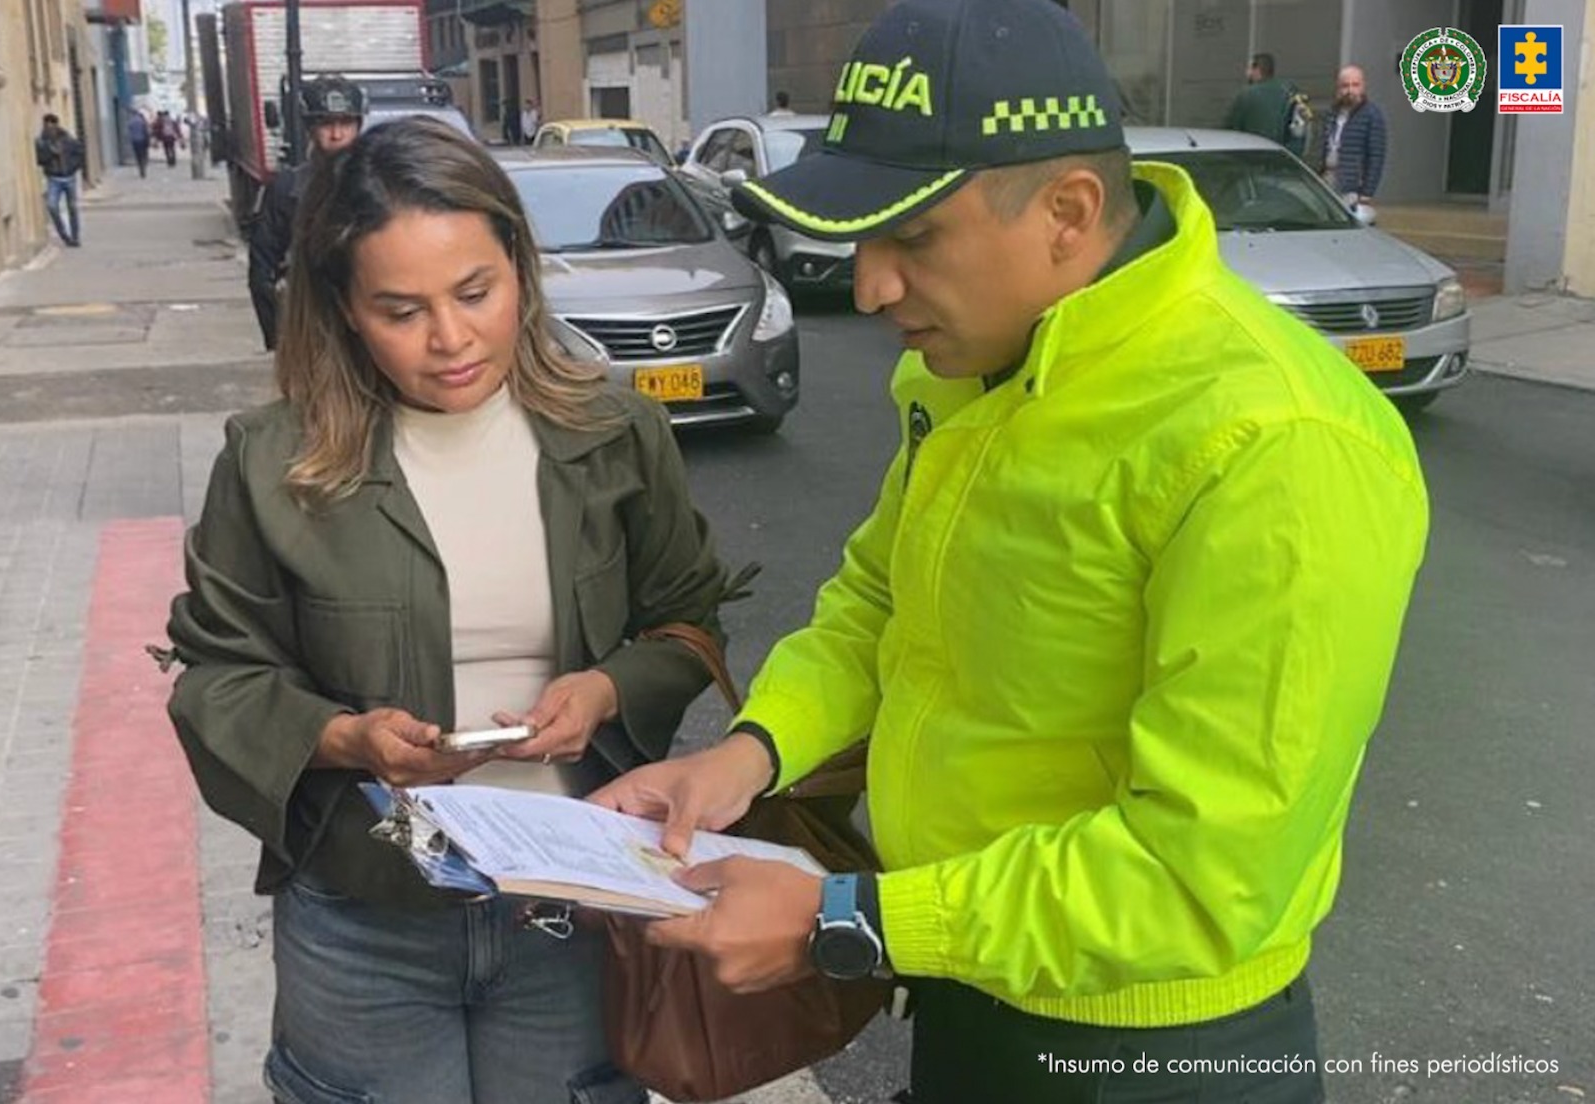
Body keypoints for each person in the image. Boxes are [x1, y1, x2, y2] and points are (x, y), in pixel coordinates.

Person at [591, 1, 1429, 1102]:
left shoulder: (1272, 441)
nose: (873, 286)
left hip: (1148, 1050)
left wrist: (853, 918)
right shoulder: (975, 365)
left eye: (915, 237)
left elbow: (1200, 874)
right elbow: (880, 605)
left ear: (1069, 212)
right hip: (964, 978)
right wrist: (745, 757)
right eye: (861, 239)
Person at [166, 115, 729, 1104]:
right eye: (401, 309)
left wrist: (605, 687)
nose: (452, 338)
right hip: (363, 920)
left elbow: (687, 626)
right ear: (342, 309)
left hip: (570, 907)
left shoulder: (615, 433)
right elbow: (219, 678)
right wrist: (347, 739)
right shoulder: (270, 463)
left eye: (476, 292)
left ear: (519, 264)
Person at [247, 75, 366, 351]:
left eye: (346, 123)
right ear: (310, 127)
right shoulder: (287, 189)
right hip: (312, 324)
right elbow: (262, 271)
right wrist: (278, 341)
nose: (337, 134)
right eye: (326, 123)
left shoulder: (380, 183)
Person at [1318, 64, 1386, 208]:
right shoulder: (1332, 113)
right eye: (1345, 86)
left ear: (1363, 87)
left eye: (1355, 85)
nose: (1350, 90)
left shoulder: (1372, 115)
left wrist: (1367, 193)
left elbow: (1376, 156)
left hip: (1353, 185)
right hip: (1327, 179)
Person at [1223, 52, 1310, 155]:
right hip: (1286, 159)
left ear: (1257, 70)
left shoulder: (1247, 95)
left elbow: (1231, 130)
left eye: (1249, 69)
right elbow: (1300, 129)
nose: (1247, 73)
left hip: (1254, 159)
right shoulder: (1291, 91)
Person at [34, 113, 84, 248]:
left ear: (56, 125)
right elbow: (40, 160)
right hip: (53, 179)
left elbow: (79, 153)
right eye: (46, 125)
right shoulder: (41, 142)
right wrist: (50, 152)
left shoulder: (67, 139)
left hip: (69, 178)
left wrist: (73, 168)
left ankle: (75, 237)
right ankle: (64, 235)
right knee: (52, 206)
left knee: (72, 207)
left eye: (52, 124)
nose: (49, 128)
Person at [126, 108, 151, 177]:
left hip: (135, 141)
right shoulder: (142, 121)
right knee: (143, 154)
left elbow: (129, 131)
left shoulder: (131, 122)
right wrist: (148, 140)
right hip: (142, 140)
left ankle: (140, 168)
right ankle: (144, 167)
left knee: (138, 155)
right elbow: (146, 131)